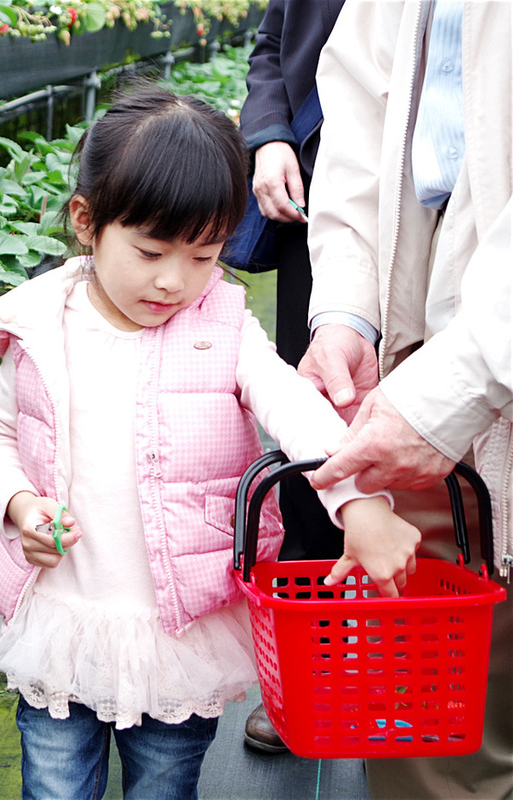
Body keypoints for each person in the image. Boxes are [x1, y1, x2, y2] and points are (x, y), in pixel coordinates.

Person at [0, 85, 420, 800]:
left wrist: (357, 501)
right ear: (87, 222)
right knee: (54, 786)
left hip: (178, 636)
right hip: (62, 620)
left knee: (165, 783)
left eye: (205, 256)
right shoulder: (38, 326)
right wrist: (18, 504)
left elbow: (295, 409)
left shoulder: (223, 329)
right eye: (150, 251)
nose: (175, 281)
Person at [298, 2, 512, 798]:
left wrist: (471, 376)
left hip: (467, 358)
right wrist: (350, 315)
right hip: (423, 343)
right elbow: (357, 124)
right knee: (432, 727)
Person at [233, 0, 344, 755]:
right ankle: (313, 663)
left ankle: (445, 654)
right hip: (324, 189)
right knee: (318, 405)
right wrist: (271, 134)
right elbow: (274, 41)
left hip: (468, 196)